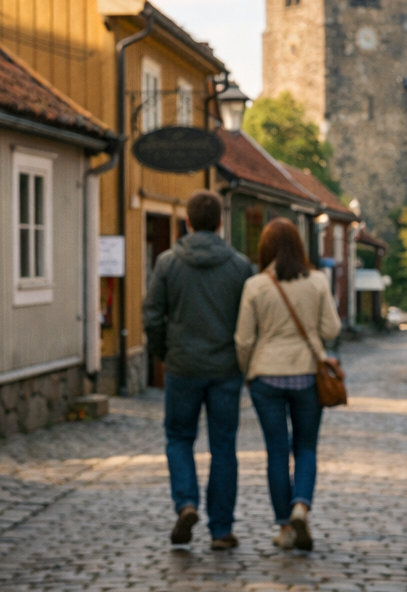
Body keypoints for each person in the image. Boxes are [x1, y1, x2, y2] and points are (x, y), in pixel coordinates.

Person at [142, 190, 255, 550]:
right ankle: (221, 529)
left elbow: (151, 315)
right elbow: (249, 322)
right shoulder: (240, 267)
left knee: (179, 438)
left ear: (187, 222)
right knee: (223, 446)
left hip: (182, 367)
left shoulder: (167, 263)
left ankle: (186, 502)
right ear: (221, 222)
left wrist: (164, 354)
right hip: (226, 369)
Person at [234, 218, 342, 551]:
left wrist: (247, 371)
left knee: (277, 451)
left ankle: (284, 527)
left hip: (266, 375)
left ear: (264, 248)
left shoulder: (255, 285)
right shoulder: (317, 281)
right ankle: (301, 506)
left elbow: (243, 339)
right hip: (307, 374)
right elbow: (332, 329)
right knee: (306, 447)